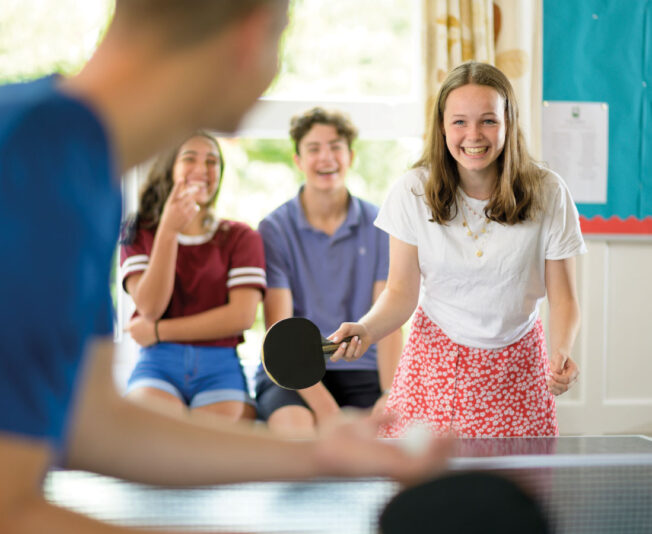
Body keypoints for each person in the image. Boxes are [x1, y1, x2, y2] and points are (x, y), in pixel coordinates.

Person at [0, 2, 450, 533]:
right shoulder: (36, 164)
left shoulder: (74, 162)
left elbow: (91, 421)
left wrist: (320, 455)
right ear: (250, 37)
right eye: (281, 38)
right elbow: (11, 507)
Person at [330, 61, 585, 438]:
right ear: (442, 127)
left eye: (488, 120)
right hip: (434, 363)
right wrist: (366, 329)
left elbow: (563, 298)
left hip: (519, 367)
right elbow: (401, 292)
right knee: (425, 490)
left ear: (509, 122)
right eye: (460, 122)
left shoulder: (548, 191)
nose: (473, 135)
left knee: (517, 489)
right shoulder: (412, 191)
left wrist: (561, 349)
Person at [255, 108, 403, 437]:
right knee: (298, 436)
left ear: (350, 156)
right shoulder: (273, 229)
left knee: (386, 436)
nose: (326, 157)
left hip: (363, 368)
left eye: (335, 147)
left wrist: (389, 394)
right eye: (314, 148)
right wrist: (330, 414)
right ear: (298, 159)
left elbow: (389, 319)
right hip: (291, 373)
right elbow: (278, 333)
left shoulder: (381, 224)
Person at [121, 132, 263, 422]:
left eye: (212, 161)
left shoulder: (239, 237)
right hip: (158, 365)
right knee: (157, 433)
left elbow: (241, 316)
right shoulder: (137, 232)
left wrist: (158, 331)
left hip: (219, 368)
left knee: (209, 450)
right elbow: (150, 308)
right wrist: (169, 231)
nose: (202, 169)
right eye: (190, 158)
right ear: (169, 168)